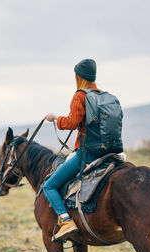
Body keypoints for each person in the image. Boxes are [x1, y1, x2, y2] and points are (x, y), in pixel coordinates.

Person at [43, 58, 100, 241]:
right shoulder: (103, 95)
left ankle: (66, 221)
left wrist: (56, 118)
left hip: (87, 154)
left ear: (79, 77)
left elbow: (71, 122)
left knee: (49, 185)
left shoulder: (80, 96)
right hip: (108, 152)